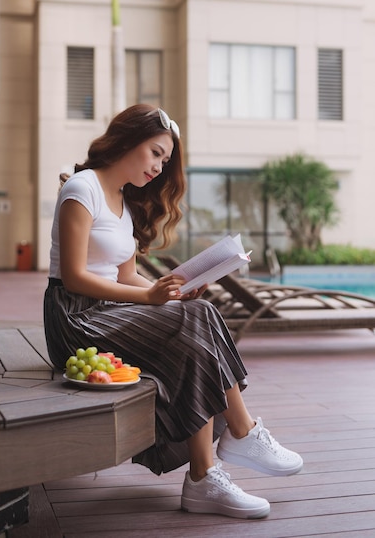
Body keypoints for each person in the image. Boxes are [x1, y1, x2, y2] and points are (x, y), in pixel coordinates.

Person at [44, 103, 303, 520]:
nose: (160, 167)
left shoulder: (123, 202)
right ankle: (236, 438)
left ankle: (210, 472)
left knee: (195, 312)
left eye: (165, 160)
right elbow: (73, 278)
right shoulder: (81, 188)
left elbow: (126, 275)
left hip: (111, 308)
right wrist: (150, 301)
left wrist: (168, 296)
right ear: (126, 141)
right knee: (195, 320)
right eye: (155, 153)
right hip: (76, 318)